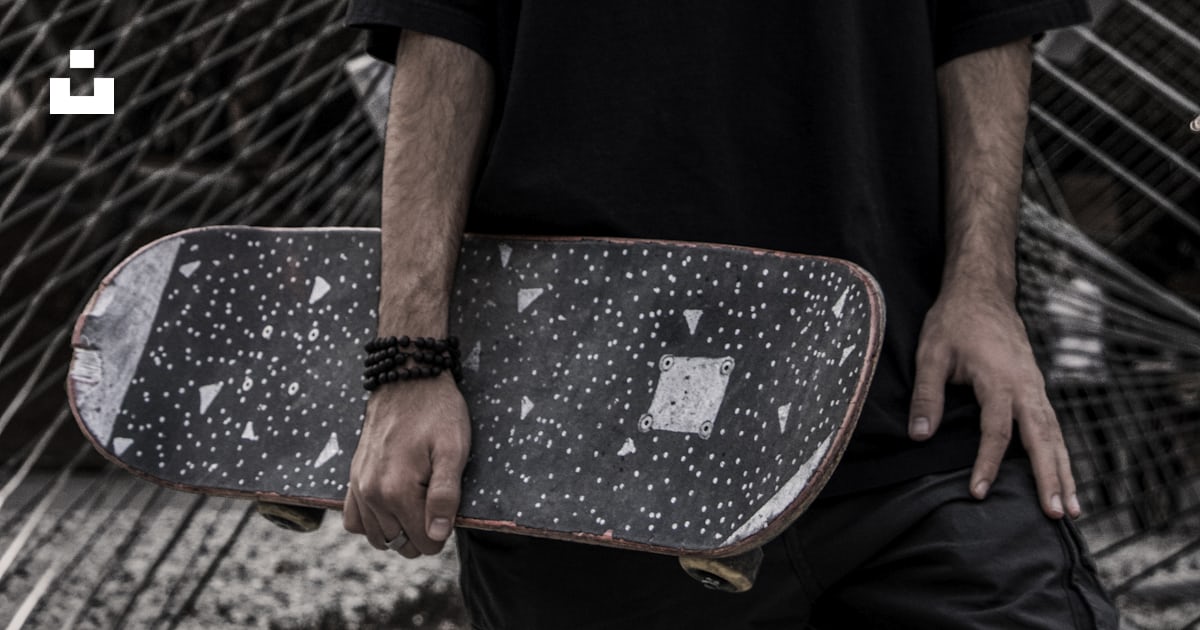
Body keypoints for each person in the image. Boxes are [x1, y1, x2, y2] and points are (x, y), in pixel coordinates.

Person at [342, 2, 1119, 627]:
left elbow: (987, 19)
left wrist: (981, 287)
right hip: (590, 449)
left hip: (907, 406)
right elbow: (441, 24)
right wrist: (410, 360)